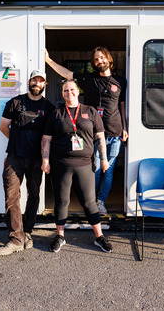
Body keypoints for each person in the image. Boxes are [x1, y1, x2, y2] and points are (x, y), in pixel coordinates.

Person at [45, 47, 128, 216]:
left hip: (114, 134)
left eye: (102, 58)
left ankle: (100, 201)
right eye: (96, 59)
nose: (100, 61)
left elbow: (122, 106)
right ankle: (91, 203)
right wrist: (48, 60)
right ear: (93, 64)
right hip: (94, 134)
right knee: (95, 168)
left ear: (109, 59)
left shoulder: (120, 81)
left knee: (109, 170)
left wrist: (125, 127)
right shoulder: (89, 79)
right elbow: (67, 74)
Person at [41, 79, 112, 253]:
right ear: (62, 93)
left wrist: (104, 159)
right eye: (65, 90)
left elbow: (100, 137)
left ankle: (99, 237)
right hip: (61, 164)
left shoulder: (90, 111)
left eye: (72, 89)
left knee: (89, 202)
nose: (69, 93)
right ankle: (60, 236)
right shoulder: (57, 114)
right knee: (62, 201)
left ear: (78, 91)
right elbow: (46, 139)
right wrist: (45, 160)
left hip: (85, 164)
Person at [0, 70, 55, 256]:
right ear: (29, 82)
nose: (37, 84)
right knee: (11, 196)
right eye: (34, 80)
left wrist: (45, 159)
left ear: (44, 85)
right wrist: (15, 142)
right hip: (15, 157)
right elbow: (3, 126)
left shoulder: (49, 108)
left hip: (36, 159)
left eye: (40, 81)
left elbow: (48, 137)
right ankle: (16, 238)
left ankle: (27, 232)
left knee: (34, 194)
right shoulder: (15, 102)